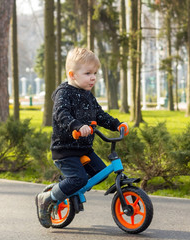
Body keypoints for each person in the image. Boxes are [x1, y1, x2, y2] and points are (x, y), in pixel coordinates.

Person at [35, 47, 129, 228]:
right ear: (72, 74)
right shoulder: (64, 93)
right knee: (79, 179)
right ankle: (47, 198)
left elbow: (99, 115)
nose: (93, 77)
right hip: (65, 150)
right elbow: (61, 114)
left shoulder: (88, 95)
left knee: (100, 172)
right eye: (88, 73)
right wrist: (76, 126)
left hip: (84, 148)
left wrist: (116, 124)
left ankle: (71, 189)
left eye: (95, 73)